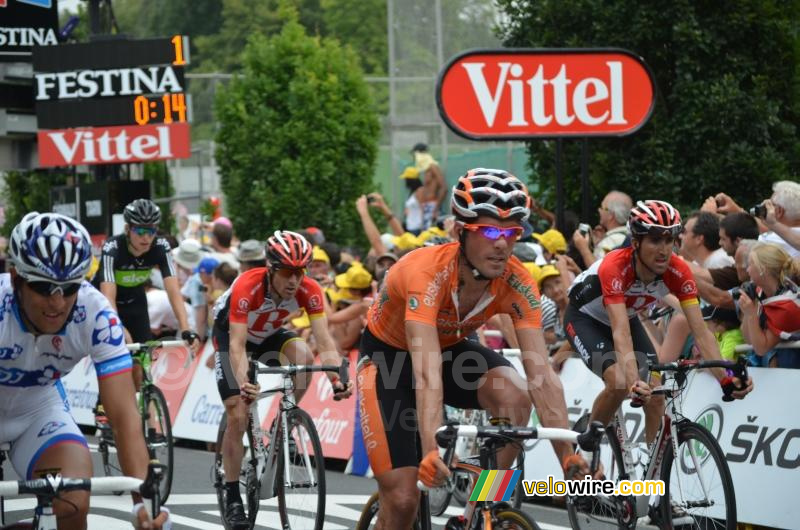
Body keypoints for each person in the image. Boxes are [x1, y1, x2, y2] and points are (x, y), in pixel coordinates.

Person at [358, 168, 587, 529]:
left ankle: (484, 504)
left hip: (449, 348)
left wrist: (568, 457)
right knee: (402, 499)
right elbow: (425, 373)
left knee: (516, 397)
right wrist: (431, 452)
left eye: (512, 232)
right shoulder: (425, 273)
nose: (503, 243)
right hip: (389, 358)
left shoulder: (518, 281)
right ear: (460, 232)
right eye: (491, 231)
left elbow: (541, 374)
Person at [1, 212, 167, 529]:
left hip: (37, 408)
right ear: (15, 279)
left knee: (73, 501)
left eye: (69, 287)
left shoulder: (95, 314)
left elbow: (124, 419)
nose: (57, 301)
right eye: (43, 286)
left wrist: (143, 503)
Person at [564, 200, 753, 448]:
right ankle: (588, 447)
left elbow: (701, 332)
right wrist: (634, 382)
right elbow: (620, 332)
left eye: (669, 239)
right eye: (654, 240)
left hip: (626, 318)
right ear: (636, 242)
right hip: (585, 318)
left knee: (656, 394)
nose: (664, 249)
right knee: (620, 383)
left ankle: (652, 475)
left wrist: (725, 379)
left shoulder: (677, 270)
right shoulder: (615, 266)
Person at [211, 230, 352, 529]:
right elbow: (237, 345)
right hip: (231, 338)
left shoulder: (309, 290)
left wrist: (335, 378)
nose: (294, 281)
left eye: (300, 273)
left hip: (268, 336)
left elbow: (325, 342)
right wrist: (243, 382)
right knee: (237, 411)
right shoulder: (248, 286)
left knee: (303, 358)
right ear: (271, 268)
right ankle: (233, 493)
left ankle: (282, 420)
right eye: (287, 272)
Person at [96, 199, 199, 395]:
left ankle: (145, 411)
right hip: (107, 303)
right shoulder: (113, 247)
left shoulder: (161, 247)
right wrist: (118, 327)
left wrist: (186, 329)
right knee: (114, 355)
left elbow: (173, 291)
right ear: (128, 229)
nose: (146, 238)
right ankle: (103, 401)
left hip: (135, 301)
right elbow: (107, 297)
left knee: (141, 364)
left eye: (151, 231)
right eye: (140, 232)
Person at [738, 242, 800, 368]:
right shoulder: (760, 292)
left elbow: (761, 348)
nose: (747, 269)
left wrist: (751, 315)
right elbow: (748, 339)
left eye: (750, 264)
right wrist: (748, 312)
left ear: (763, 269)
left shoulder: (787, 304)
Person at [572, 190, 632, 266]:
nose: (599, 210)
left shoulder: (611, 242)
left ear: (611, 215)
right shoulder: (631, 235)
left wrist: (583, 248)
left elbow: (599, 273)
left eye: (602, 207)